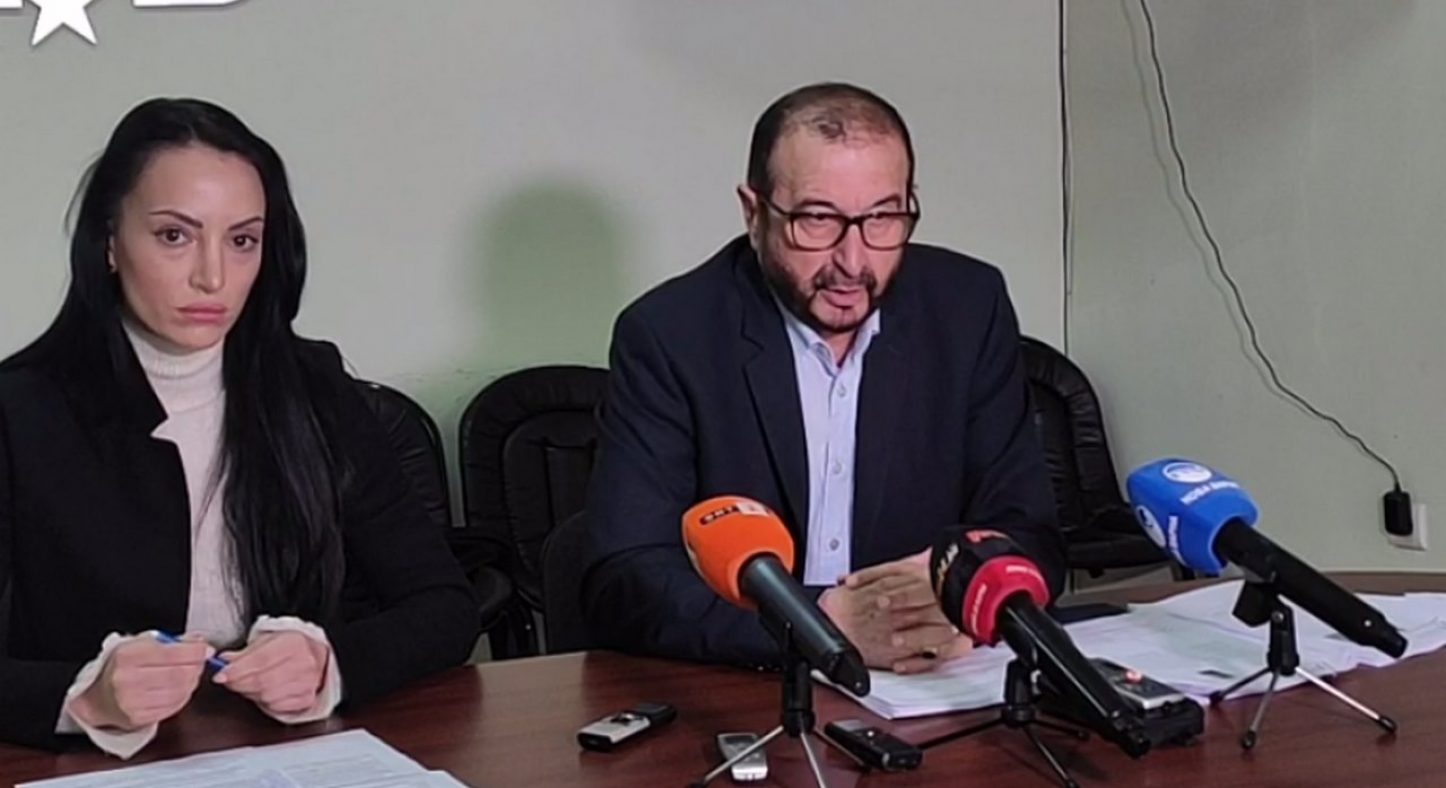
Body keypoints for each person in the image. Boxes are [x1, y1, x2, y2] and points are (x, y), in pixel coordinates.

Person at [0, 98, 480, 755]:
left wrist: (330, 663)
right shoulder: (20, 410)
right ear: (109, 241)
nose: (212, 276)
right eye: (174, 236)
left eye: (242, 240)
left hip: (290, 756)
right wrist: (82, 696)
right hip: (91, 767)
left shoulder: (314, 389)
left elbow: (444, 607)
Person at [579, 82, 1063, 674]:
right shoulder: (670, 334)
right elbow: (626, 580)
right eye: (817, 219)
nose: (853, 262)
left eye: (883, 217)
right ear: (754, 212)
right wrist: (821, 624)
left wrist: (960, 602)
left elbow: (1029, 532)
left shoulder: (968, 307)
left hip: (928, 682)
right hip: (751, 682)